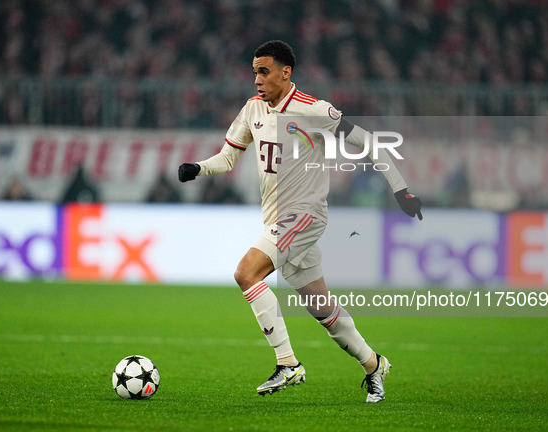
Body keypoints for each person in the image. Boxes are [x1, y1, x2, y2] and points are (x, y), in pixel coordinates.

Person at [178, 40, 422, 403]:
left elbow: (368, 142)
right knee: (321, 308)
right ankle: (374, 365)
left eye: (264, 71)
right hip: (278, 219)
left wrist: (401, 191)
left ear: (285, 72)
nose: (257, 79)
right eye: (254, 72)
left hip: (305, 215)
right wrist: (198, 168)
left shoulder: (314, 110)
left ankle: (287, 363)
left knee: (247, 273)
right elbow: (229, 158)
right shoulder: (253, 109)